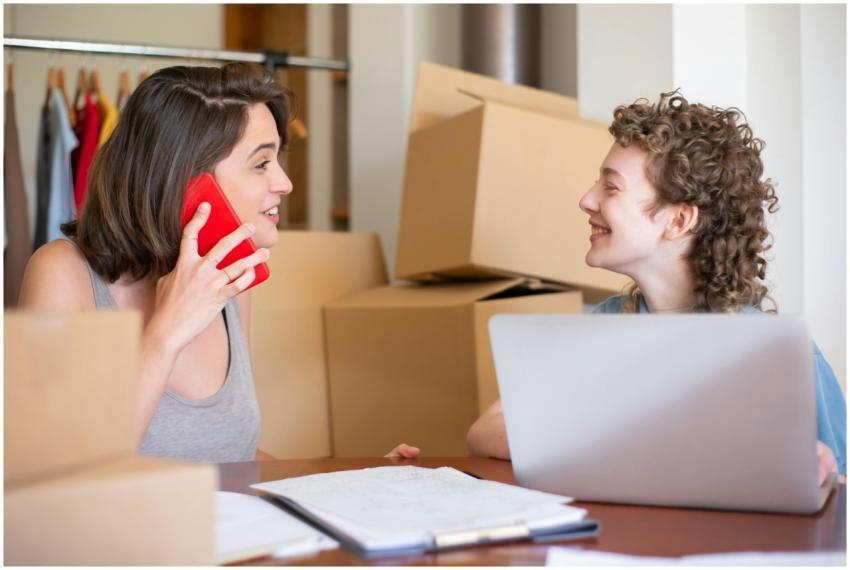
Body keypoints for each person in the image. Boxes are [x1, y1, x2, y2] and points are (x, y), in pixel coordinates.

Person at [19, 63, 420, 464]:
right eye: (261, 164)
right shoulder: (62, 273)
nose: (285, 183)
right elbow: (54, 471)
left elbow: (235, 458)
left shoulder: (229, 282)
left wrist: (349, 480)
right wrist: (167, 333)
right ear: (185, 180)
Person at [466, 91, 846, 484]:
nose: (587, 200)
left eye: (611, 188)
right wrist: (621, 444)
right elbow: (484, 431)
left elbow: (834, 489)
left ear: (678, 221)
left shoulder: (780, 353)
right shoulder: (603, 324)